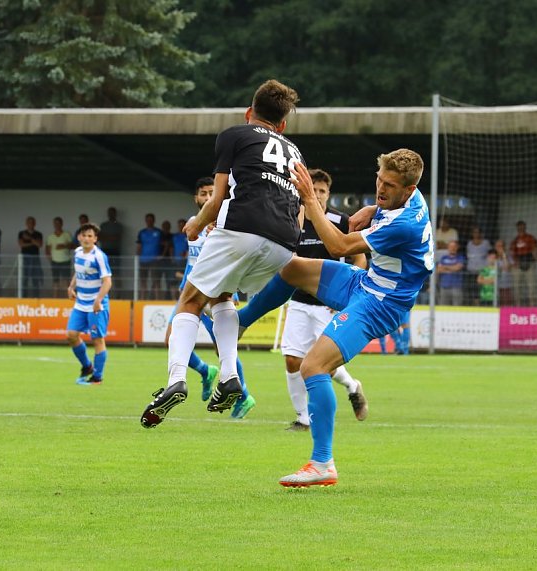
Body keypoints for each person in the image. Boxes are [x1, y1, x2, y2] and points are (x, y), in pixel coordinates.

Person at [235, 148, 432, 487]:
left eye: (389, 185)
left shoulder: (404, 225)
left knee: (312, 366)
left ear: (408, 190)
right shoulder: (410, 199)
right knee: (292, 268)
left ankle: (323, 462)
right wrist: (373, 208)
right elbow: (383, 206)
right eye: (379, 180)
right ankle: (237, 324)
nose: (380, 188)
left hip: (380, 303)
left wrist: (311, 201)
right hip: (368, 283)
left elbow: (340, 246)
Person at [140, 79, 303, 428]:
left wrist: (196, 224)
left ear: (249, 112)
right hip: (284, 243)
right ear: (283, 124)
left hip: (243, 227)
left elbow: (216, 199)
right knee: (221, 295)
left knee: (189, 301)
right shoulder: (293, 150)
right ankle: (230, 376)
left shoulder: (235, 135)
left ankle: (175, 380)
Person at [279, 168, 368, 431]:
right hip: (298, 299)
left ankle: (352, 385)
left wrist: (348, 294)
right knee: (292, 359)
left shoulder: (340, 221)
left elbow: (360, 258)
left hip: (328, 304)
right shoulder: (294, 219)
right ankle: (303, 418)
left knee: (323, 366)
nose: (317, 195)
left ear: (328, 194)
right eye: (313, 189)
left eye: (322, 190)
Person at [165, 177, 255, 420]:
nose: (206, 198)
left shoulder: (224, 223)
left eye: (210, 193)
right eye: (202, 194)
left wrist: (232, 294)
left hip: (215, 294)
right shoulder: (194, 224)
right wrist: (184, 287)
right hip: (193, 294)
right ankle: (206, 372)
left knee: (222, 348)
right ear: (196, 198)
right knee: (169, 338)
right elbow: (193, 263)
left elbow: (228, 262)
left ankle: (243, 394)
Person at [66, 223, 112, 385]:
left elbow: (107, 282)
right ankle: (87, 366)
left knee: (97, 340)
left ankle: (97, 377)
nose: (86, 238)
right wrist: (72, 287)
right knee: (71, 334)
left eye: (90, 236)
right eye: (84, 235)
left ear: (95, 239)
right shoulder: (77, 252)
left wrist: (98, 300)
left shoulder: (99, 256)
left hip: (96, 305)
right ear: (79, 237)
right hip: (80, 303)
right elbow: (78, 272)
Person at [510, 220, 537, 306]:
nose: (521, 229)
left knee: (532, 287)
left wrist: (536, 257)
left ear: (525, 227)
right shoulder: (515, 240)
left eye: (523, 227)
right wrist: (514, 263)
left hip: (529, 263)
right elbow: (512, 253)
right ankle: (518, 306)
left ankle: (533, 306)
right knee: (517, 287)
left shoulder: (530, 238)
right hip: (518, 264)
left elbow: (535, 249)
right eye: (519, 227)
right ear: (517, 228)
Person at [136, 213, 163, 299]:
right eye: (148, 220)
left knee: (156, 281)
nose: (149, 222)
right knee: (143, 281)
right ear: (145, 221)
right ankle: (142, 299)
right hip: (143, 260)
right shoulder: (142, 232)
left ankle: (157, 300)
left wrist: (161, 256)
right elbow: (139, 246)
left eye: (151, 220)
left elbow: (165, 245)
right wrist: (138, 258)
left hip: (155, 261)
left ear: (154, 221)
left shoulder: (159, 232)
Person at [46, 216, 73, 298]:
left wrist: (64, 246)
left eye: (58, 223)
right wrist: (50, 259)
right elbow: (47, 249)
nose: (57, 225)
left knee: (66, 281)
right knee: (55, 281)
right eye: (55, 223)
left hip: (65, 261)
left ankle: (68, 298)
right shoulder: (50, 236)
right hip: (55, 261)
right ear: (53, 224)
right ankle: (55, 298)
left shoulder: (67, 234)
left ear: (62, 224)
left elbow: (72, 245)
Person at [18, 216, 43, 298]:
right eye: (29, 222)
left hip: (35, 259)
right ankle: (23, 297)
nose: (30, 224)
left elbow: (39, 245)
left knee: (35, 279)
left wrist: (29, 239)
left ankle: (36, 297)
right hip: (25, 258)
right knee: (24, 279)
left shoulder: (38, 234)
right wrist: (33, 242)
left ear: (34, 224)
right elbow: (21, 245)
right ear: (26, 223)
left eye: (32, 222)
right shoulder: (21, 233)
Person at [465, 226, 490, 305]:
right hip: (471, 271)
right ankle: (475, 305)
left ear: (481, 233)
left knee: (483, 289)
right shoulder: (469, 244)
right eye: (474, 232)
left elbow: (490, 255)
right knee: (473, 289)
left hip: (482, 271)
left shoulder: (486, 243)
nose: (476, 234)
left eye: (477, 232)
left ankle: (484, 305)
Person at [437, 240, 465, 306]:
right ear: (448, 247)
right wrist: (452, 268)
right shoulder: (443, 258)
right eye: (451, 246)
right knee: (443, 308)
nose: (452, 248)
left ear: (457, 247)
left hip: (456, 286)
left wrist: (445, 267)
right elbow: (439, 270)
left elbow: (458, 268)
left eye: (454, 246)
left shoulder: (460, 257)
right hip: (444, 286)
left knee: (457, 307)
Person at [493, 239, 514, 306]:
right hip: (494, 284)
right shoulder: (493, 256)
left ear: (504, 247)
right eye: (498, 246)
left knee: (506, 302)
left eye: (501, 246)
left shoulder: (508, 257)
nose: (499, 248)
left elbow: (507, 267)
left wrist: (504, 256)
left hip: (506, 284)